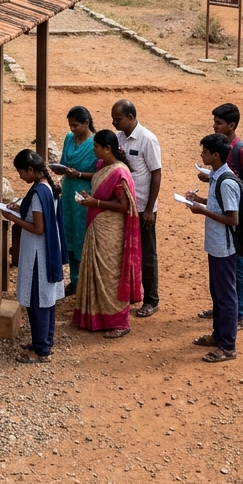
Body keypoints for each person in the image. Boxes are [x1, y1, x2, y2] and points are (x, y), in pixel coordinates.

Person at [72, 129, 142, 338]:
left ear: (108, 148)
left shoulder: (119, 173)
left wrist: (95, 202)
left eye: (96, 147)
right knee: (98, 273)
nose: (93, 150)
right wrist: (90, 197)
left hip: (111, 231)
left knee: (110, 274)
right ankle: (96, 317)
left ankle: (119, 322)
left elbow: (124, 205)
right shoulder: (103, 166)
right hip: (98, 225)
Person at [0, 149, 67, 363]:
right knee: (46, 300)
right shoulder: (46, 187)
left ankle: (41, 351)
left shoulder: (38, 193)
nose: (20, 177)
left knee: (38, 301)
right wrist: (20, 208)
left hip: (38, 253)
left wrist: (12, 217)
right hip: (47, 250)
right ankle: (44, 341)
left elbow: (38, 228)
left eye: (21, 172)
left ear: (31, 169)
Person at [197, 102, 243, 329]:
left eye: (219, 123)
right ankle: (222, 309)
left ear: (231, 125)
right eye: (214, 122)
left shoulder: (241, 150)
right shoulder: (220, 148)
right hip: (225, 209)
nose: (215, 126)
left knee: (238, 268)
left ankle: (238, 314)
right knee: (224, 276)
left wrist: (231, 186)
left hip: (237, 220)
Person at [183, 133, 240, 362]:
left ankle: (228, 346)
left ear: (215, 155)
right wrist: (199, 202)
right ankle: (219, 335)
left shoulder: (226, 182)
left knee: (225, 296)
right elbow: (220, 205)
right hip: (216, 245)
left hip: (224, 247)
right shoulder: (216, 176)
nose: (201, 155)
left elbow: (233, 218)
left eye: (204, 152)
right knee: (217, 293)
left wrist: (202, 211)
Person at [111, 99, 162, 317]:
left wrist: (149, 209)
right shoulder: (119, 138)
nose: (114, 123)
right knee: (125, 252)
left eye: (118, 119)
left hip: (142, 207)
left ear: (130, 117)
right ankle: (128, 295)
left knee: (147, 255)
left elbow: (156, 174)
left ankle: (151, 300)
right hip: (125, 206)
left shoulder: (147, 139)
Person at [51, 106, 96, 294]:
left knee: (82, 235)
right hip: (69, 193)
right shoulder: (69, 138)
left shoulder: (96, 144)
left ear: (86, 123)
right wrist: (60, 169)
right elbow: (64, 162)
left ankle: (87, 280)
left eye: (76, 125)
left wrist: (78, 174)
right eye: (70, 125)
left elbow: (100, 173)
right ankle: (74, 279)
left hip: (84, 195)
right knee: (68, 234)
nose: (72, 129)